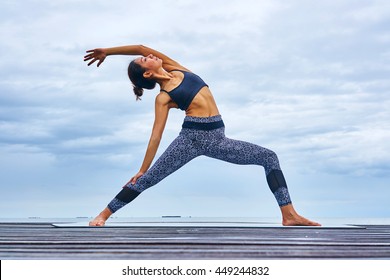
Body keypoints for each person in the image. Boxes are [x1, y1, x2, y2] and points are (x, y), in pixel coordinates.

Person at [84, 44, 321, 227]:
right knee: (147, 180)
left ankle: (289, 215)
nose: (151, 56)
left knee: (269, 157)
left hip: (218, 137)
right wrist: (142, 169)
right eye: (147, 60)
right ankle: (103, 214)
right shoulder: (164, 98)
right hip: (192, 139)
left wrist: (108, 51)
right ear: (147, 74)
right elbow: (156, 136)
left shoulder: (177, 69)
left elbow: (140, 47)